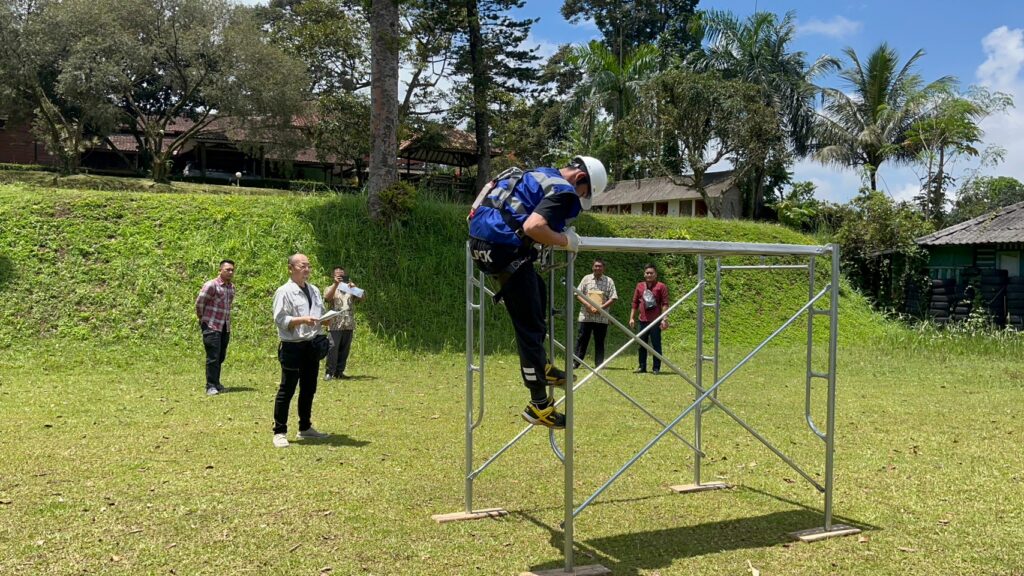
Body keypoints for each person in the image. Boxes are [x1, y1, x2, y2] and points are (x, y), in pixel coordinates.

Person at [468, 155, 608, 429]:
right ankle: (539, 406)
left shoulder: (536, 174)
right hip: (504, 250)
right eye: (584, 194)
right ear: (580, 179)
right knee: (529, 327)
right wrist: (565, 241)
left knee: (537, 293)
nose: (579, 199)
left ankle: (542, 365)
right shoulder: (563, 191)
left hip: (481, 242)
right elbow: (535, 227)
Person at [271, 253, 330, 448]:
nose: (306, 269)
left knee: (309, 387)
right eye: (302, 266)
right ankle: (279, 431)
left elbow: (318, 314)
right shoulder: (284, 291)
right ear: (291, 268)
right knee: (287, 388)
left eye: (309, 266)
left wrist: (326, 320)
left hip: (311, 344)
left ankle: (305, 427)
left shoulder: (313, 290)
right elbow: (280, 319)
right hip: (292, 346)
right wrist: (301, 320)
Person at [195, 259, 235, 396]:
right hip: (211, 325)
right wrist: (203, 319)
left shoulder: (231, 288)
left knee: (220, 356)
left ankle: (217, 383)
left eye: (232, 270)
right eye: (227, 270)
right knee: (212, 356)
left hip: (224, 326)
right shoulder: (211, 285)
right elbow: (200, 302)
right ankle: (210, 386)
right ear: (220, 270)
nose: (230, 272)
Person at [574, 258, 617, 369]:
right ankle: (576, 362)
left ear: (604, 268)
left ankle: (599, 364)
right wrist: (588, 305)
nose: (598, 268)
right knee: (582, 339)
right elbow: (577, 293)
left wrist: (601, 308)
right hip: (586, 316)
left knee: (599, 341)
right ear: (593, 267)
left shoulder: (609, 281)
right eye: (596, 266)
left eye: (600, 266)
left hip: (601, 317)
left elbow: (613, 297)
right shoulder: (586, 279)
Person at [323, 266, 364, 380]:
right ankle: (329, 372)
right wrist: (336, 284)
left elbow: (363, 298)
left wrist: (355, 289)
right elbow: (327, 298)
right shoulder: (330, 288)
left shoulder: (349, 289)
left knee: (345, 349)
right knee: (333, 348)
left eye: (342, 275)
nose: (341, 277)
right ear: (333, 276)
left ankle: (339, 372)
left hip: (348, 323)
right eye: (338, 275)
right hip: (335, 324)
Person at [628, 264, 669, 375]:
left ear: (655, 274)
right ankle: (642, 367)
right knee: (642, 344)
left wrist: (664, 318)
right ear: (644, 274)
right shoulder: (640, 286)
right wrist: (632, 317)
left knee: (656, 344)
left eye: (651, 273)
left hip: (655, 321)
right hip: (642, 320)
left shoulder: (661, 286)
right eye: (647, 273)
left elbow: (665, 304)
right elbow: (635, 302)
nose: (649, 275)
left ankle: (656, 368)